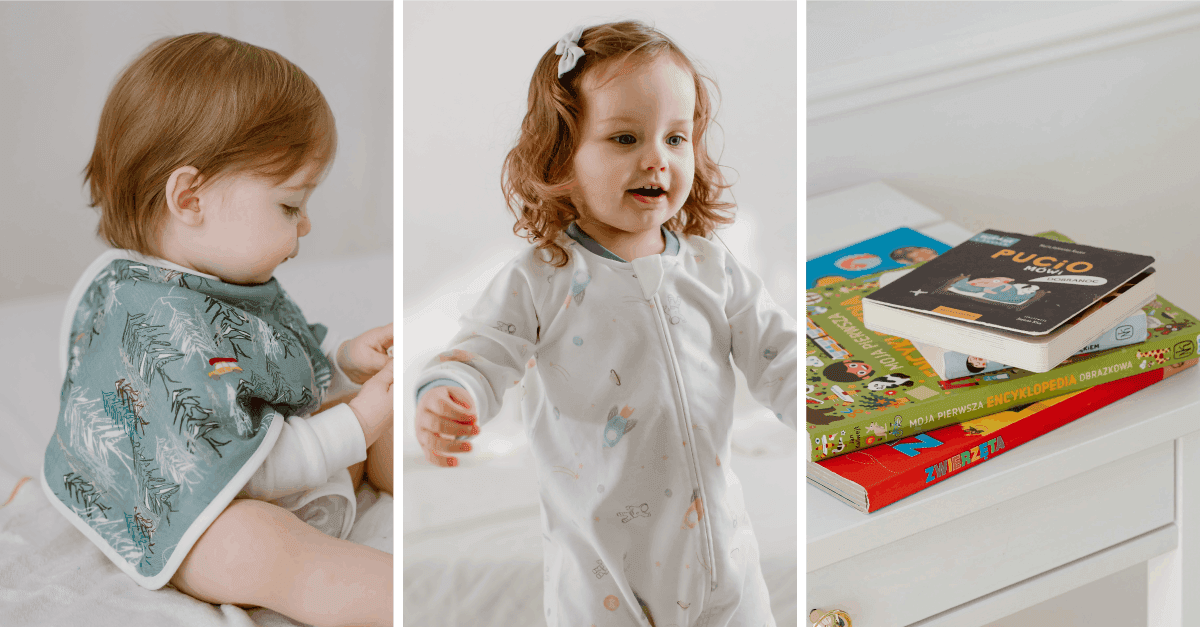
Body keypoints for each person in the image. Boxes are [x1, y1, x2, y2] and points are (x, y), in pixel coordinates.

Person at [412, 21, 796, 626]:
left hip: (725, 565)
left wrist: (831, 403)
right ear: (561, 158)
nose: (657, 159)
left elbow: (781, 356)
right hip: (602, 584)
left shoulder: (713, 268)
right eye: (624, 138)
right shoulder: (542, 279)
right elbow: (482, 352)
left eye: (676, 138)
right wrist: (449, 393)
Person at [40, 33, 394, 627]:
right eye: (289, 205)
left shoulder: (211, 278)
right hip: (200, 512)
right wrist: (357, 425)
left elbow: (258, 366)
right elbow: (242, 469)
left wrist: (340, 361)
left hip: (279, 456)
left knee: (379, 408)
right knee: (260, 546)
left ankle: (434, 486)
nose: (306, 225)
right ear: (190, 197)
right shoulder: (160, 324)